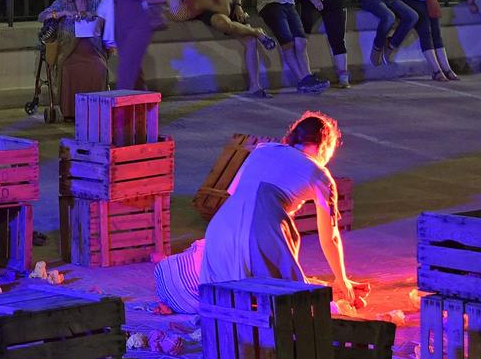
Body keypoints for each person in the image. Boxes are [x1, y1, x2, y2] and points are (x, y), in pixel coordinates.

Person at [153, 111, 357, 313]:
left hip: (220, 227)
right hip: (260, 232)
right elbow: (330, 239)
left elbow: (235, 193)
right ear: (324, 146)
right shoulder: (318, 174)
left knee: (225, 294)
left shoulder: (262, 150)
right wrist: (342, 280)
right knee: (285, 301)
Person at [173, 0, 277, 95]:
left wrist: (239, 6)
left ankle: (255, 86)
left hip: (230, 8)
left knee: (251, 41)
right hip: (210, 10)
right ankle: (257, 31)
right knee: (223, 23)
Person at [38, 0, 109, 117]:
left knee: (99, 68)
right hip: (69, 50)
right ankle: (72, 112)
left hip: (92, 49)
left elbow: (109, 15)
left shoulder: (95, 1)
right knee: (69, 69)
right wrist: (63, 13)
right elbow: (42, 16)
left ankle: (95, 110)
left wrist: (94, 15)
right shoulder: (62, 2)